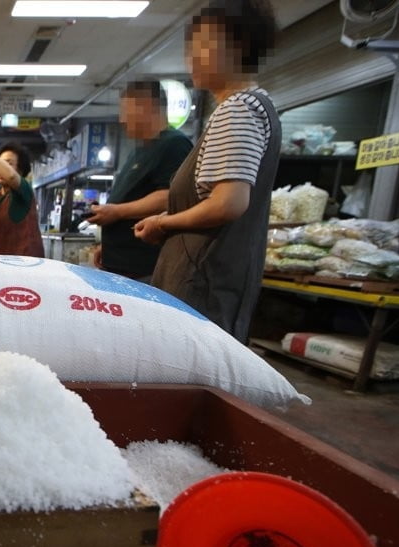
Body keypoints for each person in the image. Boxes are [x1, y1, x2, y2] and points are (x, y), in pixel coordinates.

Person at [133, 0, 280, 343]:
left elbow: (228, 203)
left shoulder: (239, 109)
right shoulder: (248, 107)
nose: (193, 57)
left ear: (239, 44)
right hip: (208, 281)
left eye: (204, 43)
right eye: (191, 47)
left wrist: (162, 222)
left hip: (202, 284)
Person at [90, 80, 192, 280]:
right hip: (120, 265)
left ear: (146, 107)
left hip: (144, 269)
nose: (121, 119)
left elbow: (168, 197)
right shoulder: (138, 152)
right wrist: (109, 246)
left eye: (126, 111)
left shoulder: (174, 144)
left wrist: (117, 212)